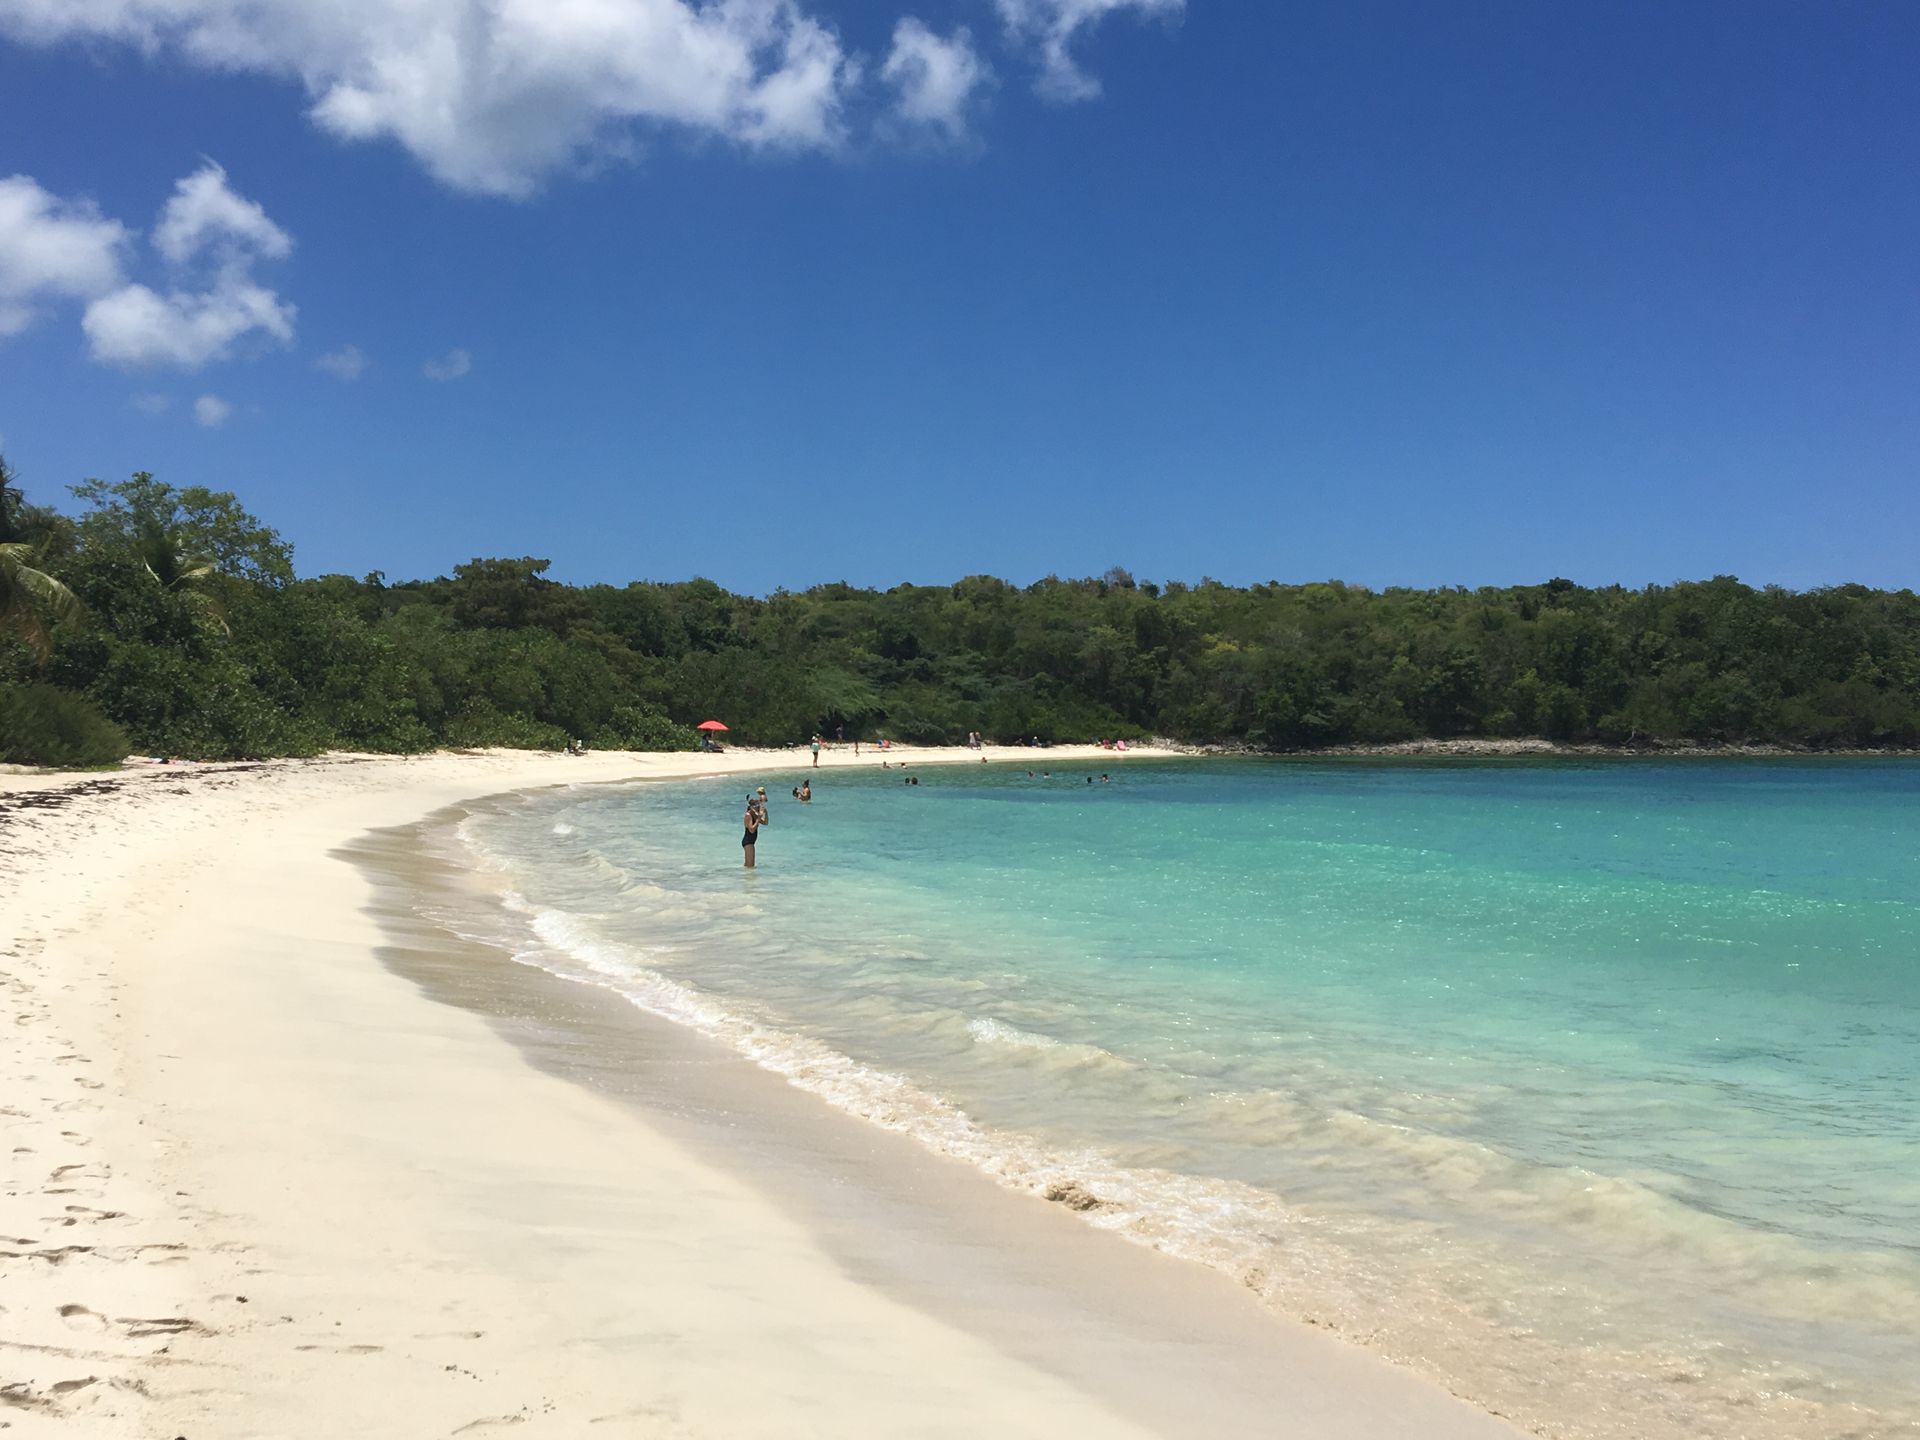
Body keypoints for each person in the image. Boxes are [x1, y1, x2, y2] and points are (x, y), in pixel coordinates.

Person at [742, 796, 760, 868]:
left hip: (751, 842)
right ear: (752, 807)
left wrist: (765, 812)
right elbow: (751, 830)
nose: (759, 807)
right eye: (757, 805)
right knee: (750, 866)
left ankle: (745, 877)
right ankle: (747, 878)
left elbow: (766, 822)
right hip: (748, 841)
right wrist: (758, 820)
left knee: (749, 865)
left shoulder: (754, 815)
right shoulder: (748, 815)